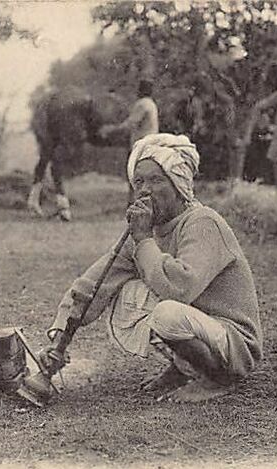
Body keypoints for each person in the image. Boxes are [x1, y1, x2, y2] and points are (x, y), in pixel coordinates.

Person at [41, 133, 263, 402]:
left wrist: (144, 240)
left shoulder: (203, 222)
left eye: (156, 180)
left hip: (233, 340)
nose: (145, 190)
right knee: (123, 294)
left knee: (166, 313)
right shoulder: (147, 229)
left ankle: (217, 378)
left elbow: (181, 289)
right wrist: (60, 335)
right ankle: (182, 368)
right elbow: (96, 281)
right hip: (198, 323)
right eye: (139, 182)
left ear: (179, 185)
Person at [99, 79, 160, 202]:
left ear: (141, 90)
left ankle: (134, 203)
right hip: (151, 144)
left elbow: (130, 123)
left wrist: (111, 129)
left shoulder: (142, 104)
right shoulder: (151, 104)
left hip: (140, 146)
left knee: (134, 175)